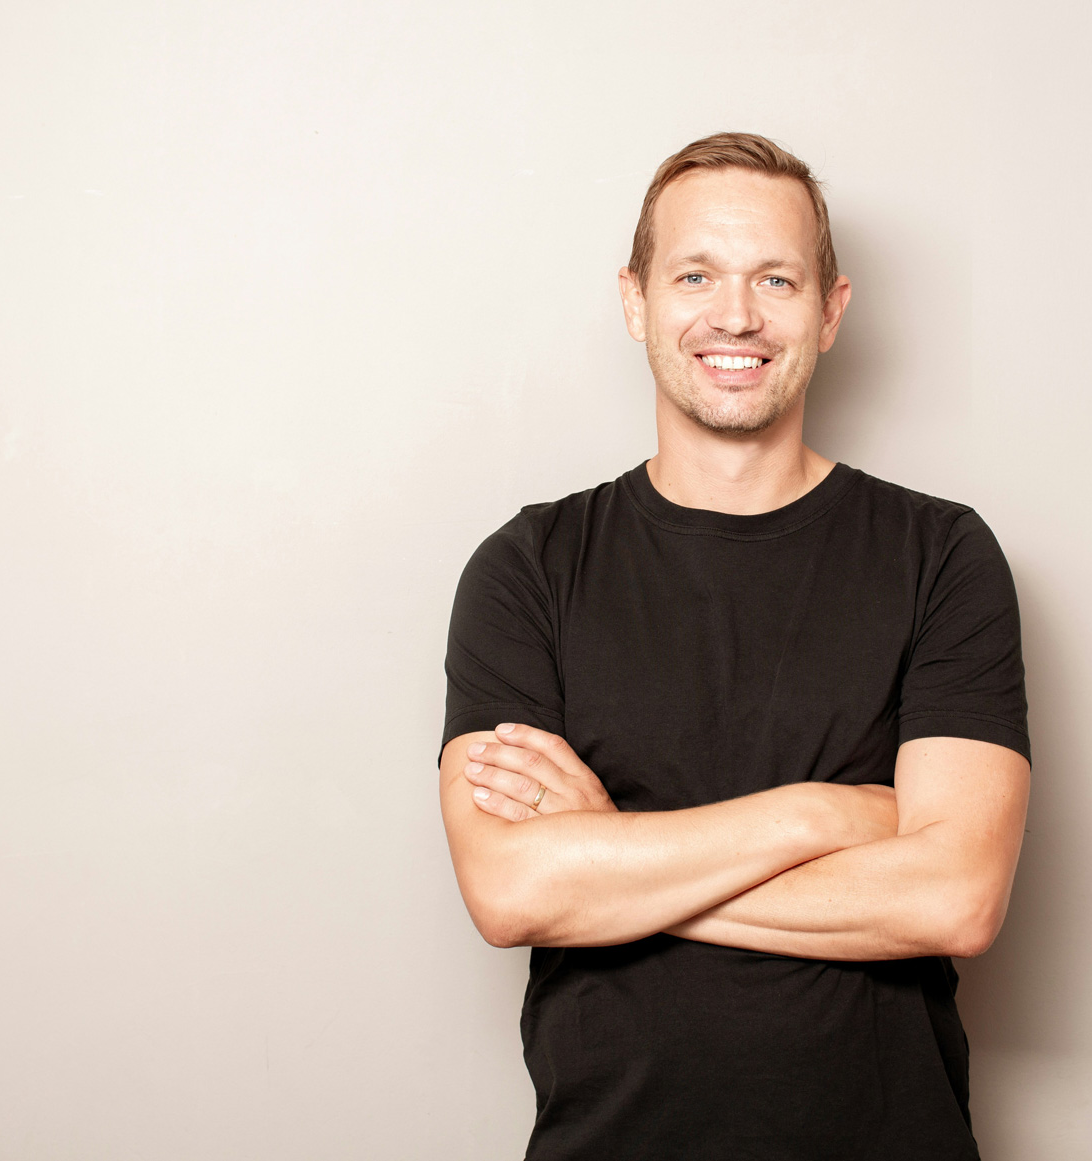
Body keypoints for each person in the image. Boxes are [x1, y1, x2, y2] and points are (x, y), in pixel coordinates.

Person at [437, 132, 1031, 1160]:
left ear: (831, 311)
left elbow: (955, 897)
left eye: (776, 279)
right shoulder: (528, 567)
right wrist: (823, 815)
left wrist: (613, 854)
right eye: (696, 275)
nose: (737, 315)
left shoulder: (941, 555)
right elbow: (513, 891)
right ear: (635, 300)